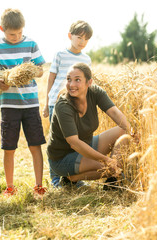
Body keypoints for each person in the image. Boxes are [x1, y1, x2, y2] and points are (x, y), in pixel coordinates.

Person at [0, 8, 47, 196]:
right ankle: (10, 186)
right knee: (9, 146)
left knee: (35, 144)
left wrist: (29, 71)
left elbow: (40, 70)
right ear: (2, 28)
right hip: (8, 105)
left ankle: (38, 185)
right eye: (12, 34)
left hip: (30, 103)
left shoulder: (31, 44)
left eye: (19, 32)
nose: (16, 36)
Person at [47, 63, 132, 187]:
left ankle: (113, 180)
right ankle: (70, 179)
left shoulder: (95, 92)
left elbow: (114, 112)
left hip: (86, 145)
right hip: (63, 158)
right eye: (69, 79)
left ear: (89, 82)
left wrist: (132, 131)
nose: (71, 85)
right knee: (110, 166)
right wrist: (106, 160)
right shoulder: (63, 105)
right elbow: (74, 143)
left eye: (77, 80)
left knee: (123, 132)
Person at [42, 20, 93, 188]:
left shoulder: (86, 59)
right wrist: (47, 102)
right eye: (79, 37)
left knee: (75, 141)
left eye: (86, 39)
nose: (82, 42)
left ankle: (73, 178)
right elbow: (51, 77)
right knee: (57, 142)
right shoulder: (60, 55)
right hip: (57, 102)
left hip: (75, 104)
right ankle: (55, 179)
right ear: (70, 36)